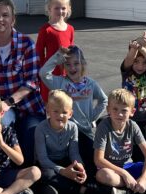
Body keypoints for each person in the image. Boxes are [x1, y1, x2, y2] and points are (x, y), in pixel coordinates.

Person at [0, 0, 45, 162]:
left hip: (29, 107)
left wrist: (10, 101)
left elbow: (33, 80)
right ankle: (5, 171)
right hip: (2, 106)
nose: (0, 19)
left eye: (5, 15)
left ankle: (30, 176)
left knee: (29, 138)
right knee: (0, 126)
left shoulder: (26, 43)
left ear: (13, 19)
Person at [94, 89, 146, 194]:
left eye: (124, 110)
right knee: (103, 175)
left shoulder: (132, 126)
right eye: (115, 109)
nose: (119, 114)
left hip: (129, 166)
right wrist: (125, 174)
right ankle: (145, 187)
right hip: (113, 170)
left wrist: (144, 179)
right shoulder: (104, 127)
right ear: (108, 109)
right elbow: (98, 160)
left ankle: (128, 191)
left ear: (132, 112)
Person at [39, 45, 107, 174]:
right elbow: (43, 73)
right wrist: (58, 57)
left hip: (84, 132)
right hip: (65, 132)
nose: (72, 68)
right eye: (68, 64)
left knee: (92, 159)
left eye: (76, 63)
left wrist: (93, 116)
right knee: (69, 160)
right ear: (63, 66)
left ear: (83, 64)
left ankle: (92, 183)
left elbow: (104, 100)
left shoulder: (91, 84)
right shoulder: (59, 83)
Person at [34, 90, 91, 194]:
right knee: (45, 174)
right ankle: (80, 189)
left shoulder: (72, 127)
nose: (60, 115)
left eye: (64, 112)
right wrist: (63, 171)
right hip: (48, 164)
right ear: (48, 111)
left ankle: (56, 189)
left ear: (70, 114)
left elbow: (74, 153)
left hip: (64, 160)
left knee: (88, 167)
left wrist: (80, 167)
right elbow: (43, 159)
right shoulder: (41, 128)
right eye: (56, 111)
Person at [120, 31, 146, 160]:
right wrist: (135, 47)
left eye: (144, 62)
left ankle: (144, 169)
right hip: (127, 117)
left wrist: (143, 48)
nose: (140, 66)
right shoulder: (127, 71)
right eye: (137, 62)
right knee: (126, 146)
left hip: (145, 118)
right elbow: (129, 59)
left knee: (144, 147)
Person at [36, 0, 75, 103]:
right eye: (56, 8)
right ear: (49, 9)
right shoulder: (46, 30)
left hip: (66, 73)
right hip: (50, 74)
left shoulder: (70, 29)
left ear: (68, 9)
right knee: (50, 102)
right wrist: (42, 72)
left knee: (65, 102)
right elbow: (39, 53)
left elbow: (71, 52)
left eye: (63, 8)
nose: (60, 11)